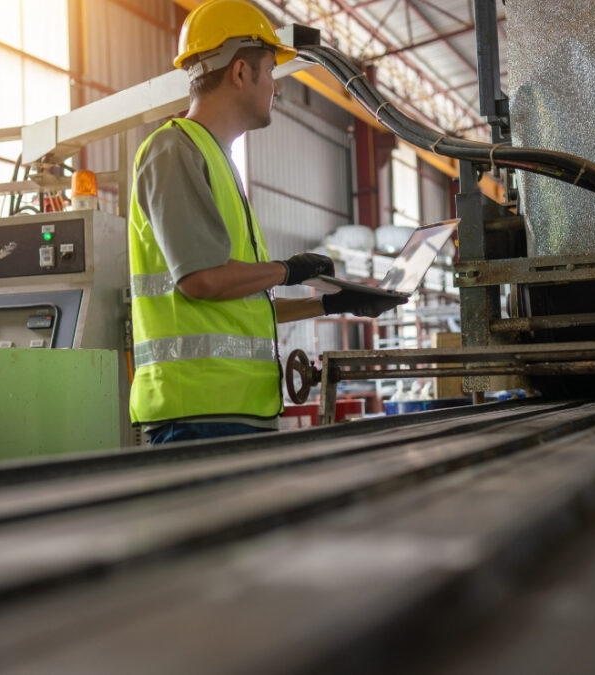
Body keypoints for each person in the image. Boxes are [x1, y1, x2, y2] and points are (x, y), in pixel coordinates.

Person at [128, 0, 405, 445]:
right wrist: (289, 270)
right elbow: (201, 281)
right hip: (198, 414)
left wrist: (333, 304)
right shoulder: (174, 150)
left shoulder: (217, 161)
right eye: (270, 73)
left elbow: (240, 309)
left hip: (235, 410)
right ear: (240, 72)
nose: (276, 89)